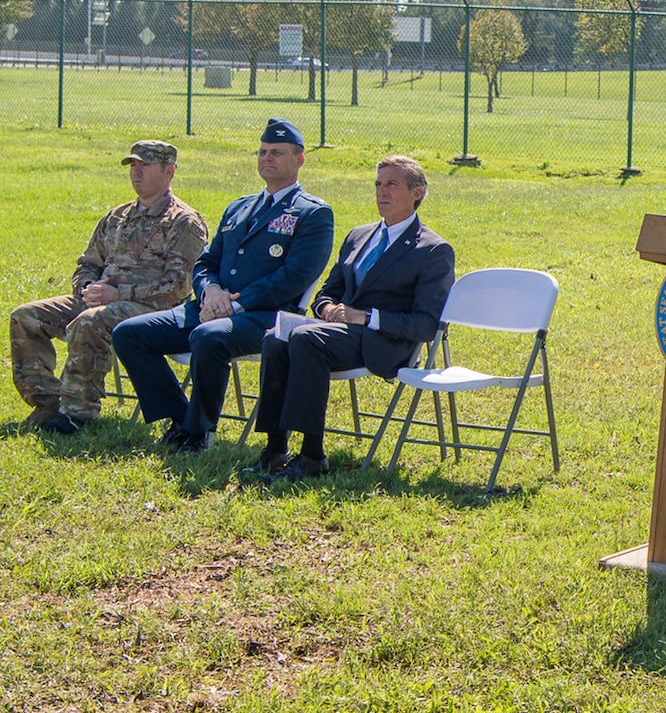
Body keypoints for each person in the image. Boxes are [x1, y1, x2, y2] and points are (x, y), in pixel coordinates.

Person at [112, 118, 335, 454]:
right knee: (128, 333)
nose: (266, 158)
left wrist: (235, 303)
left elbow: (294, 278)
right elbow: (206, 262)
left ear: (299, 160)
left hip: (265, 316)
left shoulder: (312, 213)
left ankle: (199, 432)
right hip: (209, 307)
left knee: (209, 337)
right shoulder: (239, 207)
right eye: (262, 152)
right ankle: (180, 418)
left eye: (276, 152)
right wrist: (209, 292)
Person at [247, 155, 455, 484]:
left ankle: (313, 455)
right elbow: (328, 292)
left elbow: (426, 324)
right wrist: (326, 309)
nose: (381, 192)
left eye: (391, 184)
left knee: (304, 340)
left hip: (383, 342)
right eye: (377, 184)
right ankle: (275, 448)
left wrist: (366, 317)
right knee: (276, 336)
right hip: (338, 332)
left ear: (417, 193)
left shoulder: (433, 250)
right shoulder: (359, 235)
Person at [11, 141, 209, 435]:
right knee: (25, 316)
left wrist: (119, 295)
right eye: (133, 166)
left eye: (145, 165)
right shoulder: (117, 216)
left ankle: (77, 413)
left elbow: (179, 285)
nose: (136, 172)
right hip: (102, 299)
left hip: (152, 309)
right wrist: (87, 288)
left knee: (91, 321)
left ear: (169, 171)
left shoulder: (183, 222)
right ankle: (49, 403)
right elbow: (87, 262)